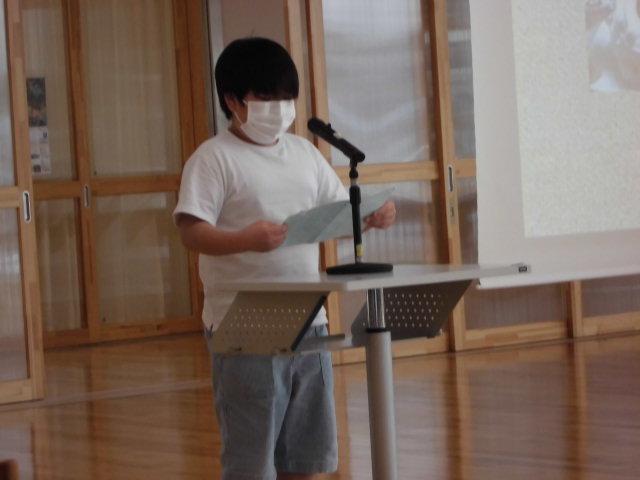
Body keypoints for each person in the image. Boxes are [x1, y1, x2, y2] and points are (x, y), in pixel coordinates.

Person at [173, 37, 396, 480]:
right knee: (252, 459)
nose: (280, 109)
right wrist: (245, 240)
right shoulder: (213, 158)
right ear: (232, 101)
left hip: (309, 318)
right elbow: (190, 230)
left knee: (306, 454)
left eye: (286, 98)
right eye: (266, 99)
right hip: (244, 323)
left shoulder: (304, 153)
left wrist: (369, 217)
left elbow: (335, 215)